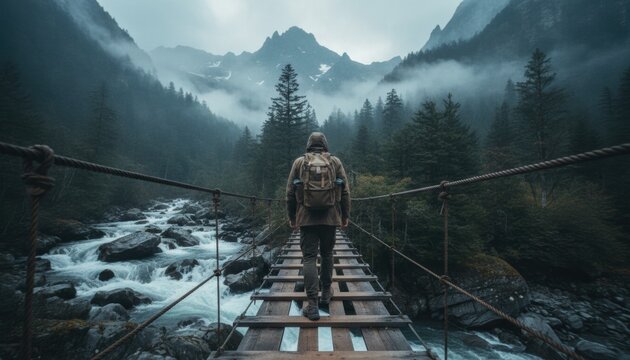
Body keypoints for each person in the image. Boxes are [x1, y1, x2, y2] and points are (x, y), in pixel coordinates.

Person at [286, 132, 350, 321]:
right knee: (328, 254)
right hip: (330, 218)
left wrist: (292, 217)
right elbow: (345, 192)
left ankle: (312, 305)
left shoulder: (299, 162)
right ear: (325, 145)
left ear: (308, 145)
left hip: (306, 218)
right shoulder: (335, 162)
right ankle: (325, 293)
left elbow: (290, 193)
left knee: (309, 258)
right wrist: (345, 216)